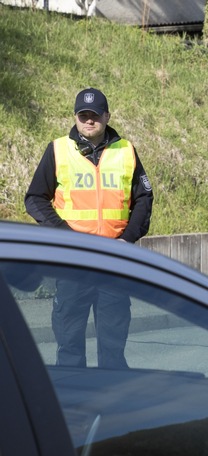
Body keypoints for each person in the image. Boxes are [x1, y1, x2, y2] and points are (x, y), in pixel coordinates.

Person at [25, 87, 153, 369]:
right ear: (75, 117)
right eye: (83, 115)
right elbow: (35, 199)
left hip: (113, 260)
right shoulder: (58, 150)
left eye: (95, 115)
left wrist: (128, 238)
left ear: (107, 116)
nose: (89, 120)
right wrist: (65, 236)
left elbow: (143, 198)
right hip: (74, 262)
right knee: (69, 344)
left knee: (113, 346)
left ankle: (114, 405)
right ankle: (75, 407)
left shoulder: (126, 151)